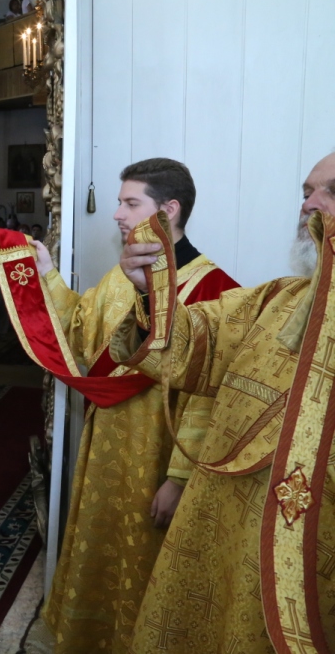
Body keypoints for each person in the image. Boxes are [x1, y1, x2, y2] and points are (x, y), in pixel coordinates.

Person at [10, 159, 240, 653]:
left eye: (130, 203)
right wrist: (47, 275)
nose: (116, 214)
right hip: (106, 449)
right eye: (119, 202)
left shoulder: (216, 291)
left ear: (168, 210)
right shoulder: (121, 278)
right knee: (103, 554)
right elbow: (81, 331)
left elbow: (213, 399)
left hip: (158, 454)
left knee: (146, 565)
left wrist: (179, 478)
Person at [110, 152, 335, 653]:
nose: (309, 205)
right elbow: (193, 345)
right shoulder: (276, 299)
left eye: (331, 192)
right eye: (306, 193)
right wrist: (151, 293)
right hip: (220, 525)